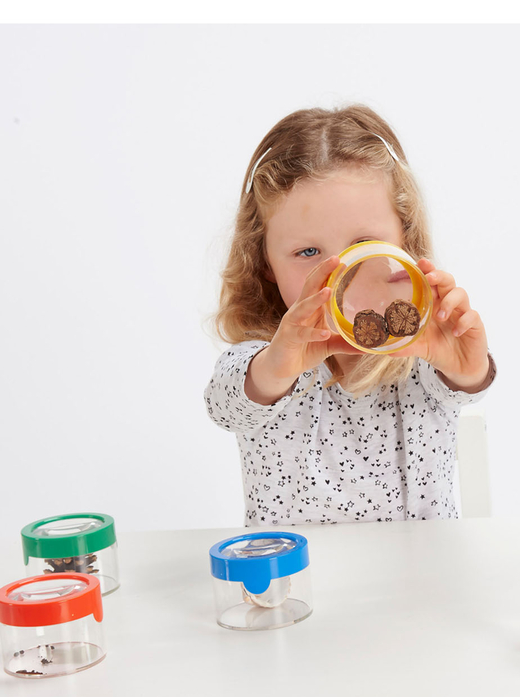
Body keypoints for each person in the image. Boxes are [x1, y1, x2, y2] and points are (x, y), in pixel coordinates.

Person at [205, 104, 495, 525]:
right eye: (308, 251)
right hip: (299, 566)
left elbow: (462, 388)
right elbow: (226, 405)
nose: (340, 272)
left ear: (403, 242)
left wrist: (468, 369)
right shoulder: (263, 358)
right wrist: (275, 367)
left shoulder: (422, 351)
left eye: (363, 245)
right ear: (264, 263)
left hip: (420, 564)